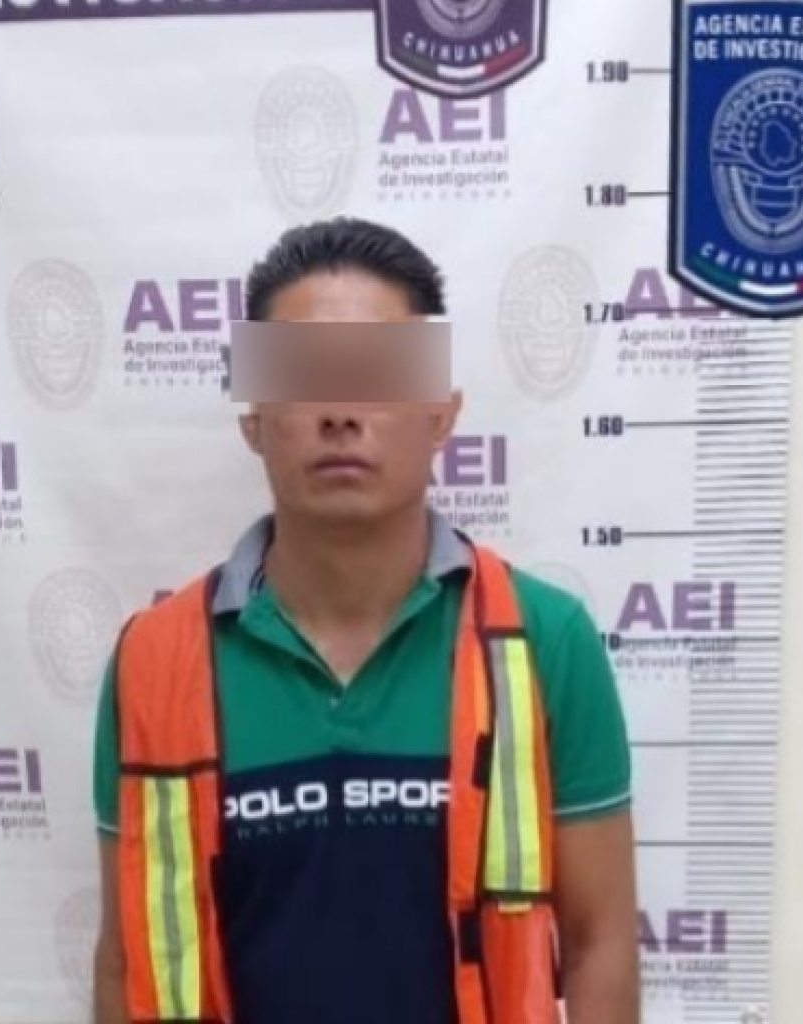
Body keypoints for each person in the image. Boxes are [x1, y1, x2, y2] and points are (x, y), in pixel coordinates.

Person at [92, 217, 640, 1024]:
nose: (341, 412)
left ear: (441, 413)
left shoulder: (544, 640)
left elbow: (600, 943)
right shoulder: (154, 661)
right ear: (253, 417)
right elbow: (124, 961)